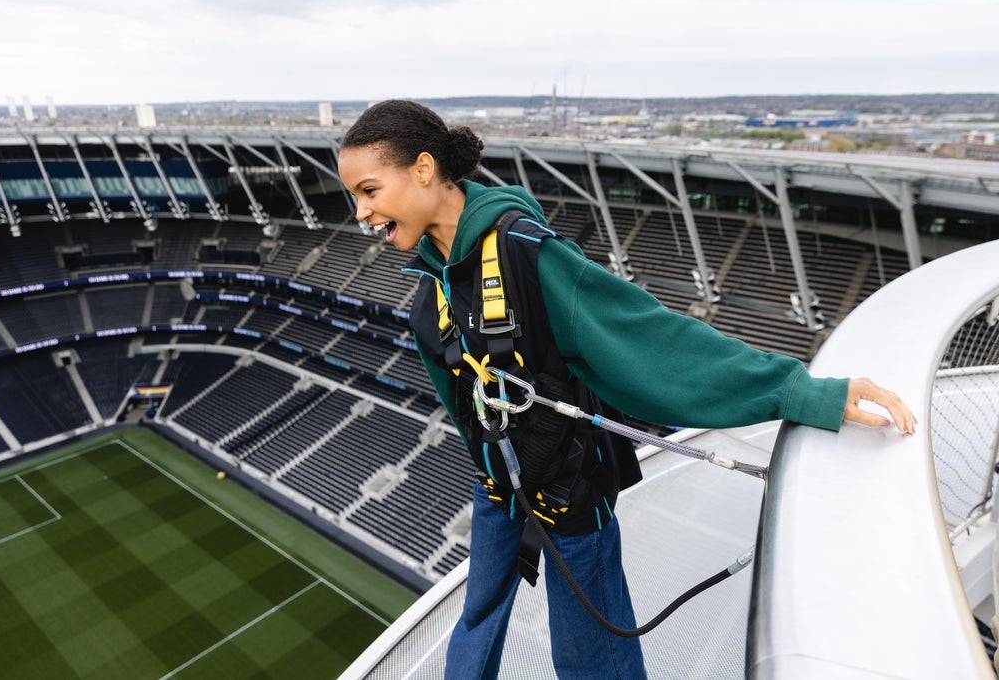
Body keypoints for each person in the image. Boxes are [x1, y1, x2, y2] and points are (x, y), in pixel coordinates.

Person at [337, 99, 917, 680]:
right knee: (473, 633)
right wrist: (505, 474)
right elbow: (465, 414)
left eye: (368, 190)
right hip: (502, 491)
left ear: (422, 169)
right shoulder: (426, 301)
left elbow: (653, 342)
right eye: (355, 197)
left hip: (568, 493)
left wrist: (804, 393)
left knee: (590, 658)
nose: (360, 212)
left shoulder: (527, 256)